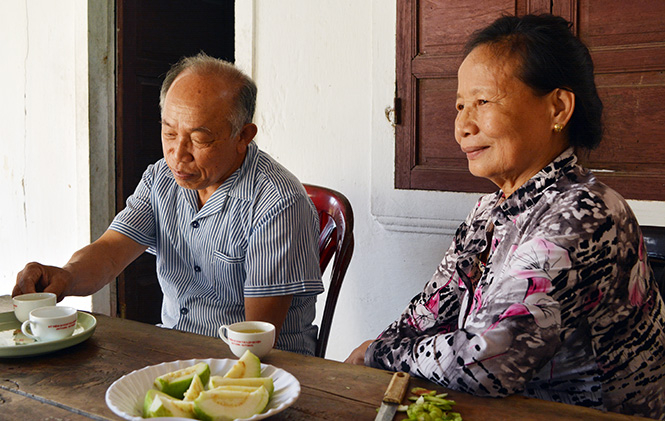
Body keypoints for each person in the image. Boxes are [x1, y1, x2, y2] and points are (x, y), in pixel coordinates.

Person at [346, 14, 665, 419]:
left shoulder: (586, 213)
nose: (462, 125)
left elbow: (485, 362)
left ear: (558, 108)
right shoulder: (491, 208)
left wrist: (379, 353)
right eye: (460, 105)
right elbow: (429, 310)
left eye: (483, 102)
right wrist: (368, 356)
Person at [14, 53, 324, 355]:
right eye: (169, 132)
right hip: (177, 349)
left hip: (262, 367)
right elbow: (111, 251)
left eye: (199, 139)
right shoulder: (161, 178)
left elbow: (256, 336)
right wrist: (66, 276)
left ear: (243, 135)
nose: (178, 153)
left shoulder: (278, 203)